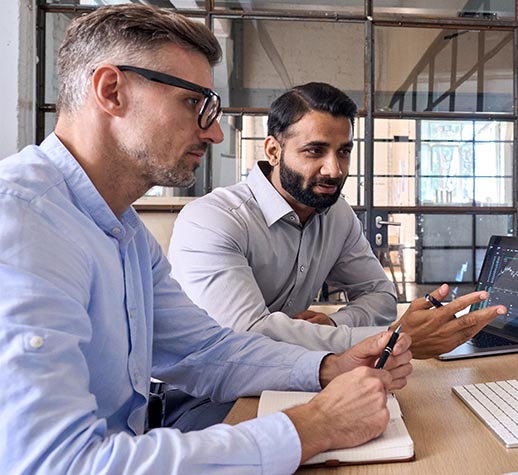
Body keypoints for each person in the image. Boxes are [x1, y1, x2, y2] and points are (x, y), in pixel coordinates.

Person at [0, 5, 413, 474]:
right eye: (193, 103)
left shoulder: (124, 232)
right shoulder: (20, 222)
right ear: (112, 91)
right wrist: (314, 426)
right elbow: (56, 464)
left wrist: (327, 367)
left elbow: (205, 350)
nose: (214, 132)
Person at [168, 83, 509, 357]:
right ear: (273, 151)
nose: (335, 170)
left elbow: (380, 296)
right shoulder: (212, 220)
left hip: (288, 374)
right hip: (198, 393)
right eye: (315, 151)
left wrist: (333, 325)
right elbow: (246, 337)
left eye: (343, 151)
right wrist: (392, 339)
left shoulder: (336, 213)